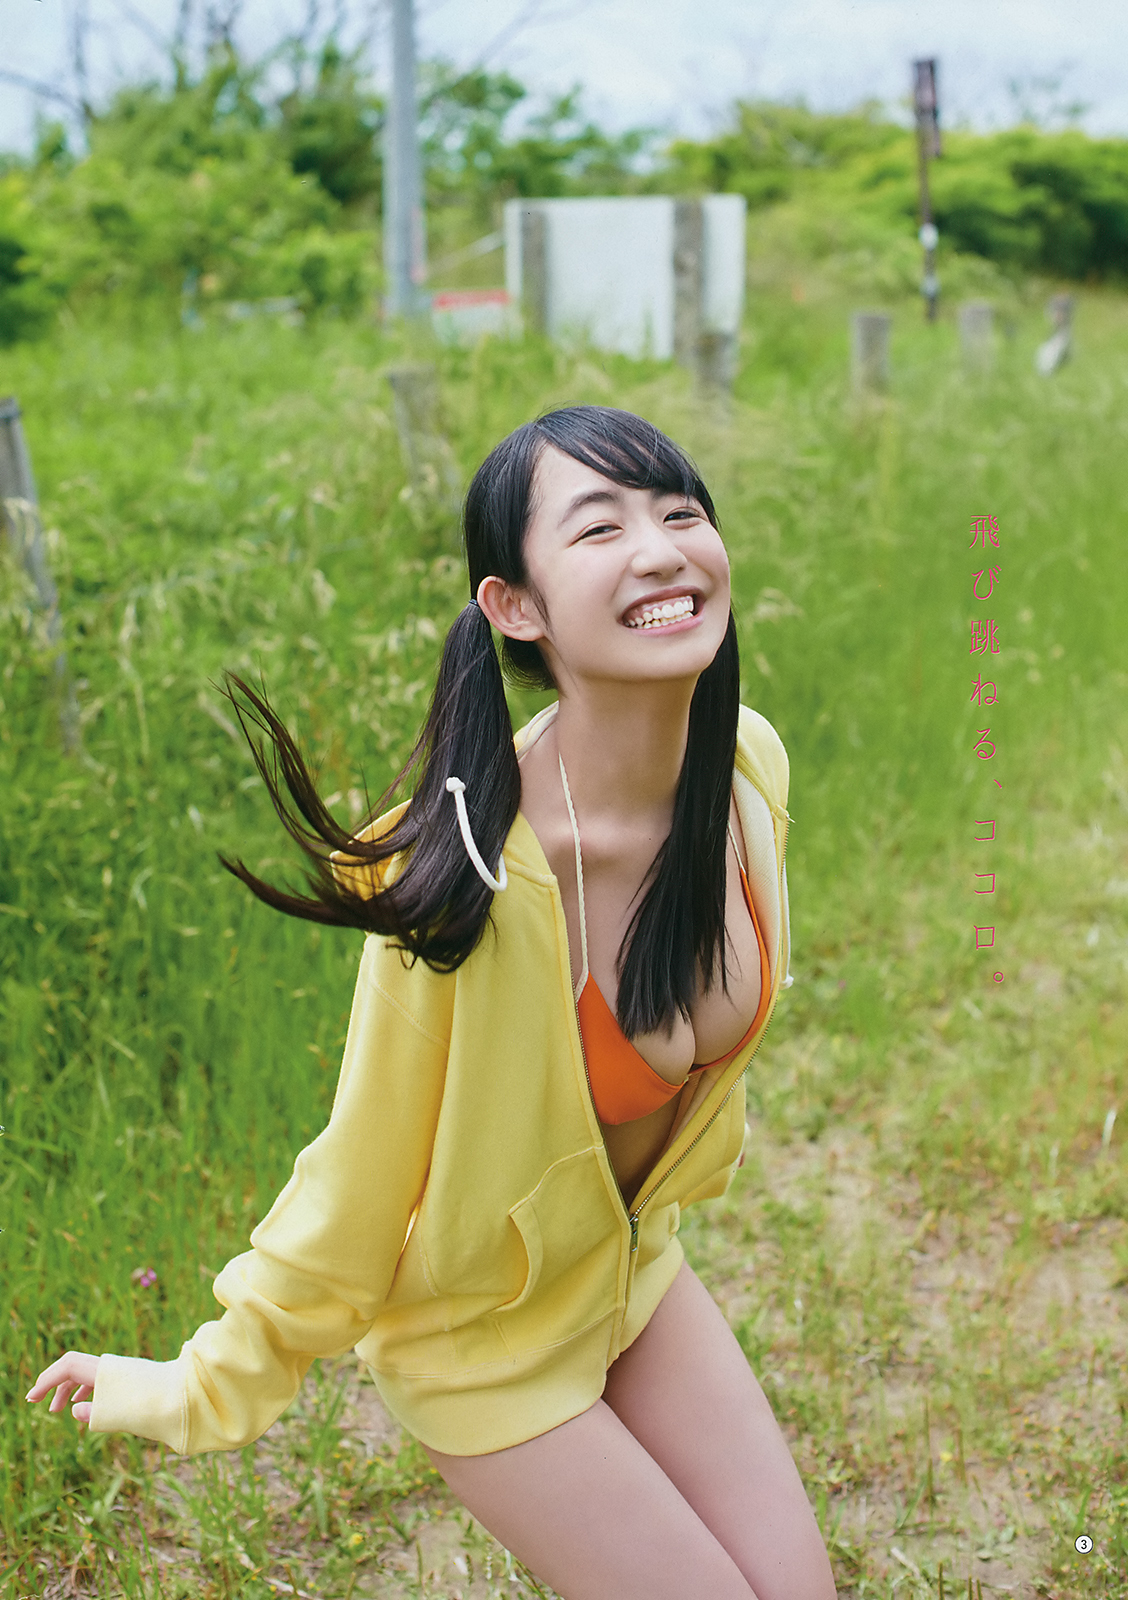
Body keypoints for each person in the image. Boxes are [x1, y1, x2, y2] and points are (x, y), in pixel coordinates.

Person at [28, 406, 836, 1600]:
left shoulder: (746, 769)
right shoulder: (467, 884)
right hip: (488, 1351)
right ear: (515, 605)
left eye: (681, 513)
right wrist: (193, 1381)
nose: (662, 550)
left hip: (634, 1282)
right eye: (600, 527)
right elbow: (359, 1176)